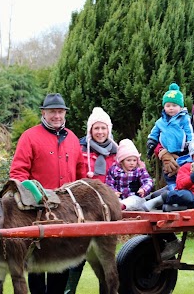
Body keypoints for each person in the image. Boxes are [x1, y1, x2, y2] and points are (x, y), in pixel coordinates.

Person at [9, 93, 87, 294]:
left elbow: (81, 174)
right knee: (37, 260)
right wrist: (33, 196)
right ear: (43, 112)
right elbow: (18, 173)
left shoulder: (72, 138)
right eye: (52, 111)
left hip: (66, 211)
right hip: (37, 211)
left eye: (60, 111)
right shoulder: (29, 137)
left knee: (60, 258)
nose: (57, 116)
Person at [142, 137, 194, 259]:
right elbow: (179, 184)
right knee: (186, 196)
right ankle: (163, 198)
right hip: (187, 193)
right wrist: (191, 179)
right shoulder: (186, 167)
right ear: (192, 156)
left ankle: (174, 207)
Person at [67, 107, 118, 294]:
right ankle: (68, 289)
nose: (100, 132)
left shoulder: (116, 151)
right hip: (84, 206)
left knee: (104, 254)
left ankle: (107, 289)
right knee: (79, 251)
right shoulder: (81, 149)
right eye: (96, 128)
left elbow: (121, 175)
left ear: (108, 130)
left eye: (103, 128)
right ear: (90, 130)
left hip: (108, 206)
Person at [146, 83, 193, 190]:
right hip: (167, 150)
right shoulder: (160, 121)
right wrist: (151, 142)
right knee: (168, 170)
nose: (171, 108)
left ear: (180, 107)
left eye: (174, 105)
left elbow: (189, 131)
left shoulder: (184, 119)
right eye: (168, 106)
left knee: (182, 170)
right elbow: (154, 133)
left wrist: (190, 142)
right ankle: (172, 187)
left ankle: (183, 188)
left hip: (182, 151)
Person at [106, 139, 153, 210]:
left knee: (134, 201)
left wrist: (143, 189)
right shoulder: (114, 169)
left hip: (135, 197)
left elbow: (148, 181)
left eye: (134, 160)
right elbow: (109, 183)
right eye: (129, 160)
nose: (132, 163)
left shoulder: (139, 169)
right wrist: (114, 192)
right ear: (122, 161)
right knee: (113, 201)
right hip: (120, 197)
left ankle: (121, 206)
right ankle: (118, 206)